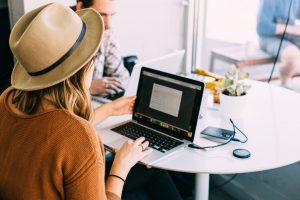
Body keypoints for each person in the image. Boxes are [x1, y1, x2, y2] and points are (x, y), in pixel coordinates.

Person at [0, 3, 182, 200]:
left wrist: (110, 109)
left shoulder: (7, 98)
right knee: (153, 173)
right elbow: (69, 137)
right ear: (85, 68)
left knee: (153, 174)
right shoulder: (80, 137)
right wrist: (121, 166)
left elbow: (54, 132)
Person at [76, 0, 130, 96]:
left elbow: (122, 79)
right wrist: (88, 88)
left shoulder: (107, 33)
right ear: (80, 7)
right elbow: (48, 92)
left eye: (111, 15)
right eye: (102, 15)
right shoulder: (56, 33)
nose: (109, 24)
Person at [257, 0, 300, 88]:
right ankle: (284, 83)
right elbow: (261, 27)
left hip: (289, 36)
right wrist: (292, 29)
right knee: (292, 54)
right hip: (269, 38)